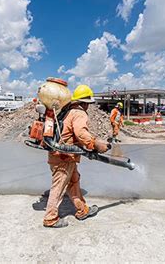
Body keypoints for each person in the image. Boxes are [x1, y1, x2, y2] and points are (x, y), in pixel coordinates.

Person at [43, 84, 110, 228]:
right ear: (85, 103)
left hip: (63, 156)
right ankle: (50, 218)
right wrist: (95, 144)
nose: (88, 107)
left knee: (73, 182)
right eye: (88, 104)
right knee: (59, 187)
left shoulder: (66, 111)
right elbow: (81, 133)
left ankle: (82, 210)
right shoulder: (79, 113)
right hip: (64, 157)